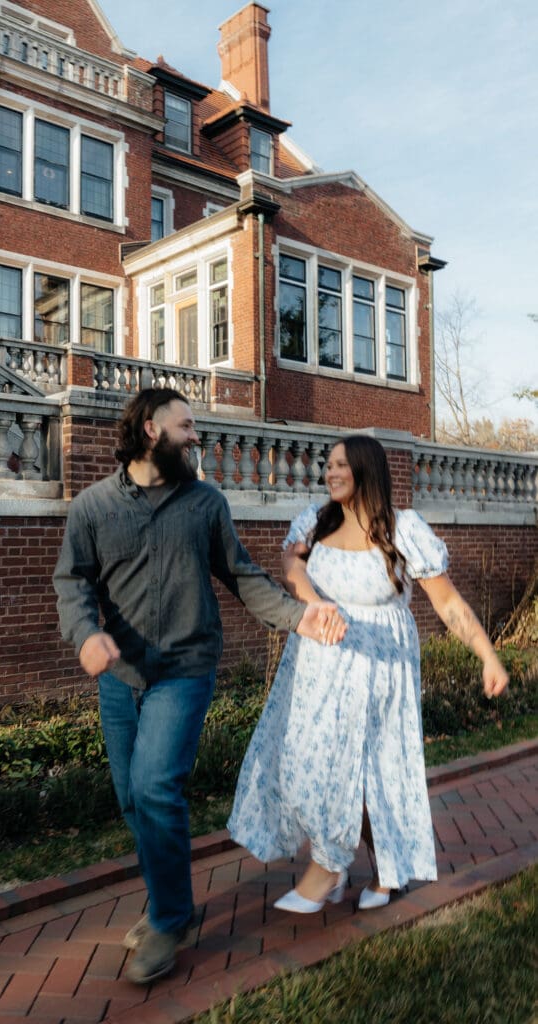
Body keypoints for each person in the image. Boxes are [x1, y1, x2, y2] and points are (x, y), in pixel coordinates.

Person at [53, 388, 346, 984]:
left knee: (156, 786)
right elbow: (73, 583)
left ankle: (168, 919)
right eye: (186, 425)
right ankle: (173, 904)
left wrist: (300, 617)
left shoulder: (205, 503)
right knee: (132, 799)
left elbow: (242, 575)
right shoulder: (92, 508)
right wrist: (85, 633)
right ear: (151, 430)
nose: (196, 435)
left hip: (185, 670)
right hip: (121, 675)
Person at [227, 434, 509, 914]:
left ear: (365, 471)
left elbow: (448, 604)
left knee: (364, 776)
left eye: (339, 465)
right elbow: (290, 571)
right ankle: (364, 864)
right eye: (328, 465)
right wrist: (317, 604)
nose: (329, 474)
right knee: (305, 762)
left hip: (380, 669)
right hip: (316, 662)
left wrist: (488, 654)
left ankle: (337, 869)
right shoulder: (313, 523)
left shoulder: (403, 531)